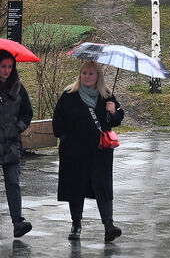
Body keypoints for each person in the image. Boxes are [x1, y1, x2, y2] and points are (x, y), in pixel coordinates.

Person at [52, 60, 124, 243]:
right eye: (84, 73)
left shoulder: (106, 96)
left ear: (98, 76)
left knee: (103, 187)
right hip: (75, 152)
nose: (86, 76)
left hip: (100, 152)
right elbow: (58, 120)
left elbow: (117, 119)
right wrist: (66, 139)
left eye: (91, 73)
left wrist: (113, 112)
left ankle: (109, 225)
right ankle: (76, 225)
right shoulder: (69, 95)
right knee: (76, 187)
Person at [0, 49, 33, 239]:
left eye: (10, 67)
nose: (6, 70)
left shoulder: (18, 88)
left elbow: (27, 113)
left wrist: (17, 128)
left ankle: (17, 221)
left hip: (11, 143)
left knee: (13, 182)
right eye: (3, 66)